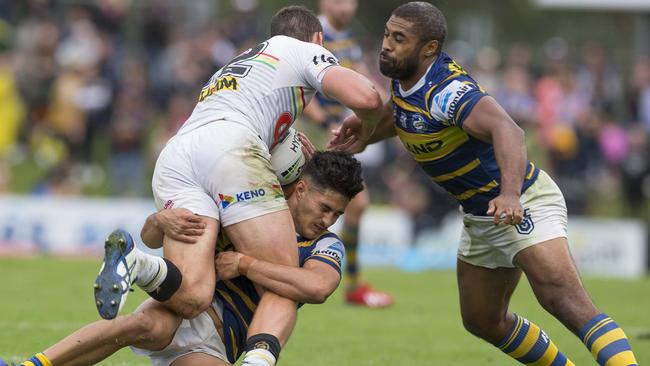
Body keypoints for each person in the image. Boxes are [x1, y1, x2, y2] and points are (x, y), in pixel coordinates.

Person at [328, 2, 638, 366]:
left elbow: (508, 129)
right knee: (483, 319)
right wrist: (366, 132)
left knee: (564, 300)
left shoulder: (448, 91)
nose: (387, 45)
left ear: (429, 48)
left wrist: (510, 195)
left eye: (399, 38)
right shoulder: (406, 76)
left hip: (521, 201)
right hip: (482, 215)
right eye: (386, 35)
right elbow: (403, 114)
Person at [92, 5, 383, 366]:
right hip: (231, 148)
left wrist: (284, 137)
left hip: (178, 154)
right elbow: (368, 97)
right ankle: (258, 360)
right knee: (286, 275)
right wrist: (366, 126)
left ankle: (138, 264)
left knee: (194, 293)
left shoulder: (240, 61)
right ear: (318, 39)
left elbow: (243, 110)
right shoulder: (305, 50)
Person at [8, 148, 363, 366]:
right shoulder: (248, 210)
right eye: (325, 208)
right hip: (183, 309)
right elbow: (154, 236)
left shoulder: (324, 245)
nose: (327, 220)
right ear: (300, 189)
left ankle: (141, 267)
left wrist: (245, 264)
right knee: (139, 325)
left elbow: (318, 287)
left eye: (336, 215)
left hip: (217, 344)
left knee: (290, 287)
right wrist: (157, 220)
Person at [302, 0, 393, 308]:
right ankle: (343, 281)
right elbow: (299, 87)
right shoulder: (312, 34)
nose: (345, 6)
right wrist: (325, 122)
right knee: (342, 202)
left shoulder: (348, 37)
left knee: (355, 205)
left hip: (338, 132)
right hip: (317, 132)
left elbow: (362, 76)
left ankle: (349, 282)